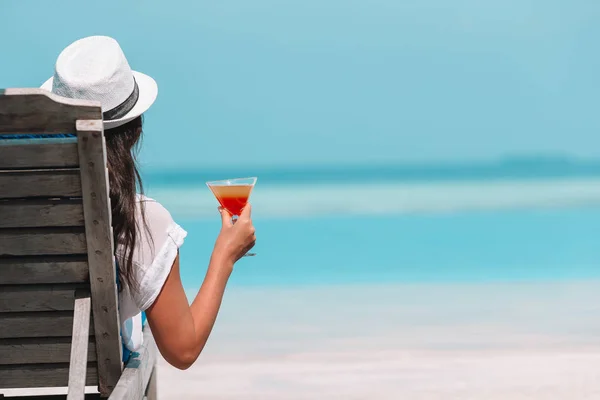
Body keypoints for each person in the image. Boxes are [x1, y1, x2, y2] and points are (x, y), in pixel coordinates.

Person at [41, 35, 256, 370]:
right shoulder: (137, 220)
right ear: (135, 132)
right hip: (87, 378)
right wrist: (225, 256)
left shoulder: (20, 206)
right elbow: (182, 350)